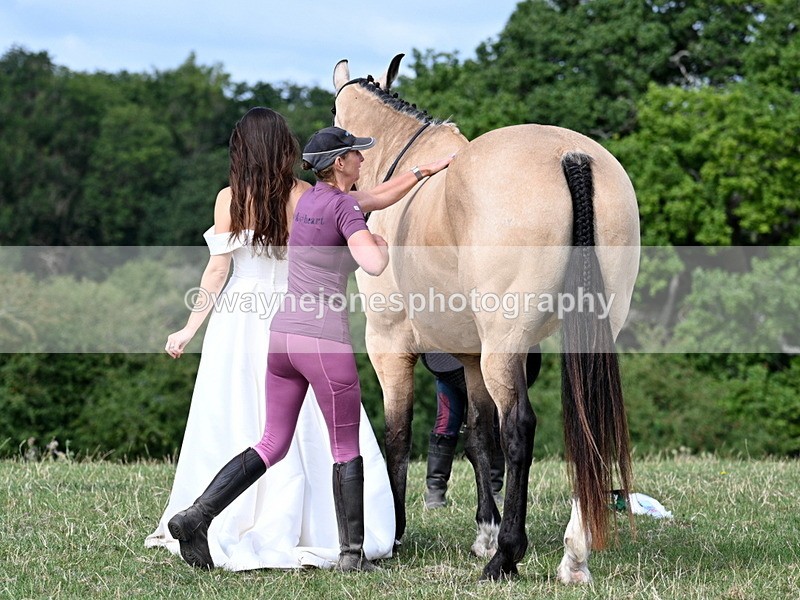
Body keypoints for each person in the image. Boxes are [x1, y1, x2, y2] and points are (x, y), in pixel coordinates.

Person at [164, 124, 453, 573]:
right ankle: (353, 555)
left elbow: (374, 196)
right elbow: (373, 256)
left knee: (271, 442)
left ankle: (197, 515)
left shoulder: (297, 198)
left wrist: (419, 171)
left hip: (279, 337)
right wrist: (380, 243)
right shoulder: (329, 203)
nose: (362, 161)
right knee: (344, 442)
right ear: (338, 163)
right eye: (356, 155)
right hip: (322, 338)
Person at [420, 347, 542, 509]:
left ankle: (493, 487)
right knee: (446, 423)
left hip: (487, 362)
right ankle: (435, 490)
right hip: (450, 359)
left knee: (493, 423)